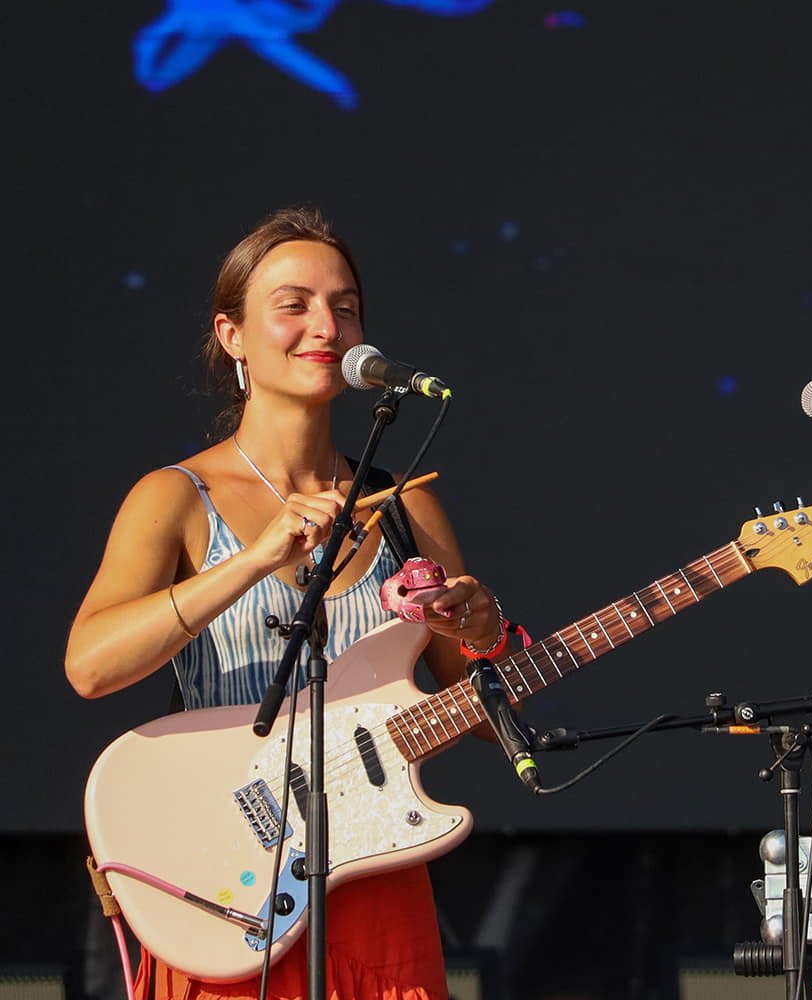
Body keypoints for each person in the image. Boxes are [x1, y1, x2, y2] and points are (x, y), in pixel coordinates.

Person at [66, 207, 504, 1000]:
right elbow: (92, 667)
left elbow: (480, 712)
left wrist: (482, 631)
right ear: (232, 334)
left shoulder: (405, 507)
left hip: (375, 880)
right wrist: (255, 559)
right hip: (225, 885)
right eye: (294, 305)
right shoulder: (176, 497)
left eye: (345, 307)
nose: (326, 327)